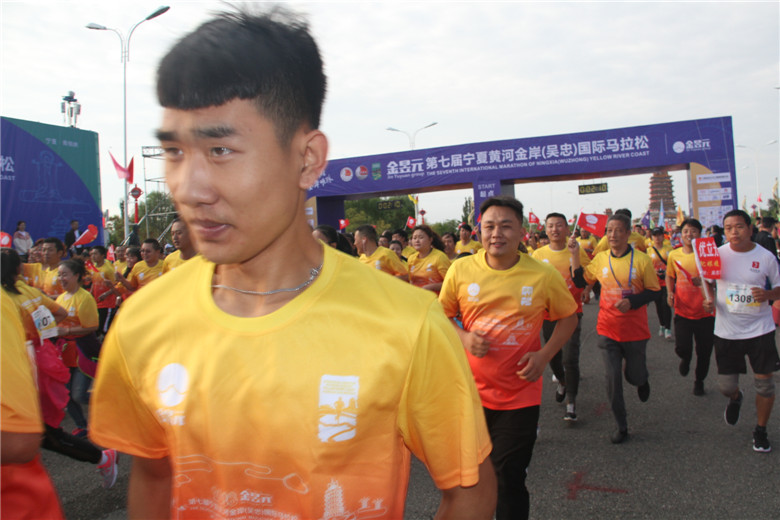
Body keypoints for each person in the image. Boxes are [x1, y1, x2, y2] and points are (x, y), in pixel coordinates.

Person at [90, 8, 495, 519]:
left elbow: (468, 490)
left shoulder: (408, 325)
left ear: (307, 159)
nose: (188, 189)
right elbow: (154, 474)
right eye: (173, 152)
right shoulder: (143, 321)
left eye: (220, 149)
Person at [440, 196, 577, 520]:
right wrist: (464, 337)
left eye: (505, 226)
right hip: (470, 395)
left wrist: (544, 356)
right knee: (472, 479)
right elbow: (441, 315)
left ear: (521, 231)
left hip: (519, 394)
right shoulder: (461, 269)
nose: (496, 234)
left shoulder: (541, 274)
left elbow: (568, 317)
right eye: (489, 226)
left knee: (508, 476)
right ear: (479, 231)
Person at [703, 210, 780, 453]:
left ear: (750, 228)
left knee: (765, 386)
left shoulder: (766, 257)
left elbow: (779, 288)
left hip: (760, 330)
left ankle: (760, 430)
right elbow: (707, 281)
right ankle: (736, 397)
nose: (733, 232)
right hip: (727, 331)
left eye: (739, 226)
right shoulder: (717, 255)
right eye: (728, 228)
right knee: (726, 386)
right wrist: (709, 299)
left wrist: (767, 294)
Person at [584, 213, 660, 444]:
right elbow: (582, 280)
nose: (613, 235)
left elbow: (654, 291)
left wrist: (632, 302)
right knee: (612, 378)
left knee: (634, 376)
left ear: (628, 233)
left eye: (618, 230)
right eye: (609, 231)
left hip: (635, 331)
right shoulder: (600, 259)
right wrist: (574, 257)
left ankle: (641, 379)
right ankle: (621, 425)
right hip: (607, 329)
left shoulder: (642, 260)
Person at [1, 291, 65, 519]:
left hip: (38, 357)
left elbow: (18, 442)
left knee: (51, 424)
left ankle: (100, 456)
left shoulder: (14, 297)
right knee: (49, 425)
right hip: (38, 356)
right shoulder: (24, 292)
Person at [532, 212, 590, 421]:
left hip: (572, 311)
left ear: (567, 228)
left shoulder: (577, 251)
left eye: (559, 225)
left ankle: (571, 403)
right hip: (548, 313)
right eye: (550, 226)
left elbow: (583, 281)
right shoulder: (538, 255)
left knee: (570, 358)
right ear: (545, 230)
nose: (554, 229)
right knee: (553, 356)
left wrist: (575, 256)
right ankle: (563, 382)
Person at [666, 218, 714, 396]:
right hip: (683, 311)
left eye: (693, 231)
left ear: (700, 234)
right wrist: (669, 292)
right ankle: (685, 359)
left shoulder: (708, 255)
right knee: (682, 347)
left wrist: (704, 281)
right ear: (681, 234)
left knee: (704, 353)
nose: (689, 234)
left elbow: (717, 279)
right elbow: (670, 276)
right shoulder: (674, 255)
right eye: (686, 231)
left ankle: (699, 381)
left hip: (706, 312)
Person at [407, 225, 451, 293]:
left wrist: (431, 287)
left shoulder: (440, 257)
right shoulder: (411, 258)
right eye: (414, 238)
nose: (417, 240)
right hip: (417, 297)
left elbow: (450, 282)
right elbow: (411, 281)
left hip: (436, 297)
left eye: (421, 237)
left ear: (430, 239)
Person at [648, 227, 673, 339]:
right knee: (658, 306)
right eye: (655, 235)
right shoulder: (649, 251)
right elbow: (647, 266)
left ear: (663, 237)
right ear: (652, 237)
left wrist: (666, 271)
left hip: (667, 282)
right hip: (655, 282)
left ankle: (668, 328)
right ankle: (662, 325)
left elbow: (672, 264)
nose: (657, 238)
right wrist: (655, 272)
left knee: (666, 304)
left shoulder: (669, 249)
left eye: (659, 235)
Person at [88, 246, 119, 337]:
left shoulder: (108, 269)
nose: (93, 256)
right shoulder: (93, 268)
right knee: (98, 325)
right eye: (92, 254)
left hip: (107, 303)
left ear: (102, 255)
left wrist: (106, 294)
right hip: (97, 301)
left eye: (95, 254)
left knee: (104, 328)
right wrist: (90, 294)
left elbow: (115, 285)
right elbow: (94, 283)